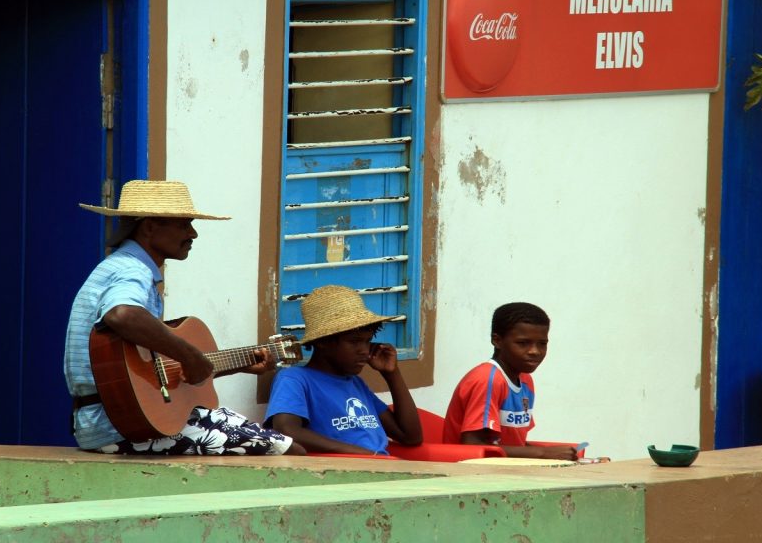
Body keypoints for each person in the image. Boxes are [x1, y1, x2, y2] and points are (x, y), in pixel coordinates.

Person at [64, 179, 305, 456]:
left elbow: (153, 373)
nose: (193, 234)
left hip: (116, 422)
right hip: (121, 428)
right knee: (288, 450)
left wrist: (235, 363)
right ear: (150, 227)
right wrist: (190, 356)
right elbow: (123, 314)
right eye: (184, 224)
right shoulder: (132, 270)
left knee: (273, 440)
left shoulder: (124, 267)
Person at [265, 285, 423, 456]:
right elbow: (286, 430)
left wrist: (392, 374)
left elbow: (410, 437)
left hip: (379, 467)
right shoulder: (295, 379)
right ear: (322, 342)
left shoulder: (355, 383)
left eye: (367, 341)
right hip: (341, 472)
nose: (364, 350)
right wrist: (366, 455)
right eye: (354, 342)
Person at [442, 302, 578, 460]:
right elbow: (473, 446)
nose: (535, 351)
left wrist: (558, 455)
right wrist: (543, 453)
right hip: (468, 473)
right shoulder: (488, 379)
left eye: (542, 344)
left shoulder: (525, 380)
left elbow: (515, 445)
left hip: (505, 471)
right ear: (497, 340)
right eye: (522, 343)